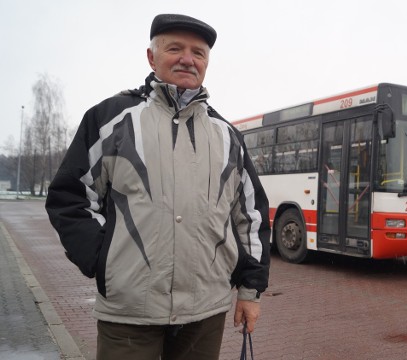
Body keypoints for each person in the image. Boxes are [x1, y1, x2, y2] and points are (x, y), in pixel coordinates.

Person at [45, 13, 270, 360]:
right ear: (152, 57)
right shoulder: (110, 120)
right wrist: (104, 263)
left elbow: (251, 218)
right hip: (129, 313)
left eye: (198, 52)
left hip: (205, 312)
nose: (187, 59)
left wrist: (250, 291)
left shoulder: (228, 137)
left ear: (207, 63)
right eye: (175, 48)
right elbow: (70, 197)